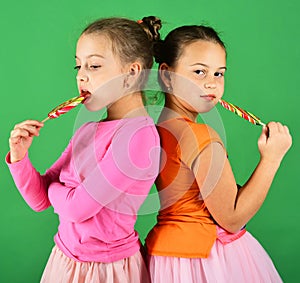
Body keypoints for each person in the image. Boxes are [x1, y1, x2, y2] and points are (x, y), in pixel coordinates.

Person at [7, 16, 162, 283]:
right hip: (64, 260)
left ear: (133, 72)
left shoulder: (140, 138)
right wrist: (20, 157)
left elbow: (77, 209)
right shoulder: (88, 130)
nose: (81, 75)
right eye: (78, 66)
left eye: (94, 65)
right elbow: (40, 200)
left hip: (107, 269)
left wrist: (57, 190)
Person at [145, 24, 292, 282]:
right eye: (199, 72)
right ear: (167, 75)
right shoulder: (201, 137)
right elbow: (232, 218)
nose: (211, 83)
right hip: (208, 260)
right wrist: (272, 159)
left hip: (165, 260)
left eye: (219, 73)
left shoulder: (156, 129)